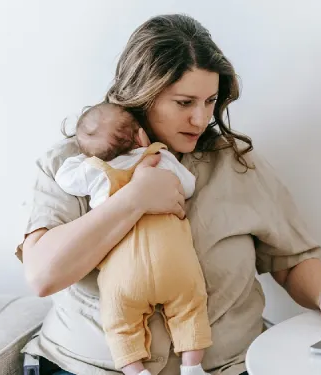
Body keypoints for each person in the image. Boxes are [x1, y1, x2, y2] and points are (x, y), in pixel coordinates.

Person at [17, 13, 321, 375]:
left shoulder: (236, 164)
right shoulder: (72, 166)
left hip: (228, 366)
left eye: (210, 102)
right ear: (141, 94)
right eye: (184, 103)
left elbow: (291, 259)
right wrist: (133, 200)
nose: (200, 119)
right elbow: (42, 275)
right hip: (89, 367)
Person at [54, 102, 212, 375]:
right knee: (191, 308)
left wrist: (85, 157)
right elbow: (188, 185)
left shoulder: (96, 171)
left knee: (118, 323)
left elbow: (65, 178)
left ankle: (136, 371)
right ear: (141, 136)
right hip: (174, 263)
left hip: (124, 274)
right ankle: (192, 366)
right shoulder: (160, 157)